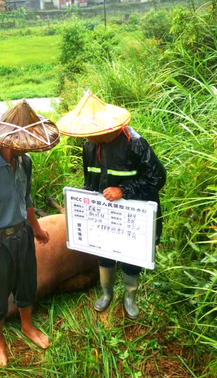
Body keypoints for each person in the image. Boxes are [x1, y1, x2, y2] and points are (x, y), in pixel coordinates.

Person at [0, 100, 60, 366]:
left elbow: (26, 198)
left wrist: (37, 228)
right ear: (7, 140)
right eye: (23, 142)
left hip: (23, 236)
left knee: (27, 285)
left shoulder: (23, 161)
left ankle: (28, 326)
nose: (27, 148)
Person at [57, 91, 166, 319]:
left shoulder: (135, 144)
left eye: (93, 134)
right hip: (103, 214)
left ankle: (130, 296)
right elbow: (90, 181)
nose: (90, 138)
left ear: (108, 127)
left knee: (131, 258)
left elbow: (157, 178)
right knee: (104, 254)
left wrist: (124, 191)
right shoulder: (89, 147)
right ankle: (107, 293)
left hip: (131, 215)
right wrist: (79, 204)